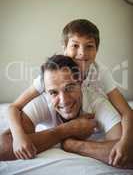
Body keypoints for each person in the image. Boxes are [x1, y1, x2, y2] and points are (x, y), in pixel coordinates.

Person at [8, 19, 133, 167]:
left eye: (89, 46)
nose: (82, 53)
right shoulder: (50, 76)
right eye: (75, 45)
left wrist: (126, 141)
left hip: (93, 115)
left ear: (97, 50)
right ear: (64, 48)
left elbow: (126, 111)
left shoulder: (100, 74)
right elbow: (14, 107)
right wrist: (18, 136)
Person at [0, 55, 122, 166]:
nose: (64, 100)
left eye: (69, 88)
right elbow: (3, 146)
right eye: (53, 92)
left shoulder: (97, 103)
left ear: (80, 83)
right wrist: (66, 130)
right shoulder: (43, 101)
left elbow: (127, 151)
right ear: (46, 92)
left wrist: (73, 145)